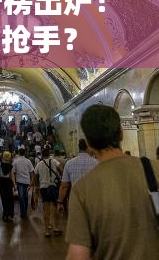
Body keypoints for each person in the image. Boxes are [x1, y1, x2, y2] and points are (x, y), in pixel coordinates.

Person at [66, 105, 159, 260]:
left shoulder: (82, 189)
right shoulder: (154, 169)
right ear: (121, 133)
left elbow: (78, 255)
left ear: (89, 143)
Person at [57, 138, 97, 213]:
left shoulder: (69, 163)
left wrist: (60, 202)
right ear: (88, 148)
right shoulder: (97, 163)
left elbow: (64, 186)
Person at [34, 146, 63, 237]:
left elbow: (35, 176)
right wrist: (60, 179)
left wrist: (37, 187)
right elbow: (61, 170)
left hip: (44, 188)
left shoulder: (39, 164)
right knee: (55, 207)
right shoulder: (54, 161)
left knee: (46, 208)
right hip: (53, 186)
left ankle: (47, 230)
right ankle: (56, 227)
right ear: (49, 154)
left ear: (42, 155)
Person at [12, 147, 34, 218]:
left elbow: (13, 173)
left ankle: (23, 212)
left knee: (21, 196)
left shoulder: (15, 161)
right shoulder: (28, 161)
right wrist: (31, 182)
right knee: (25, 196)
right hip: (27, 181)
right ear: (25, 153)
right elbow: (32, 173)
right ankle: (24, 211)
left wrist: (14, 183)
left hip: (19, 181)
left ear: (18, 153)